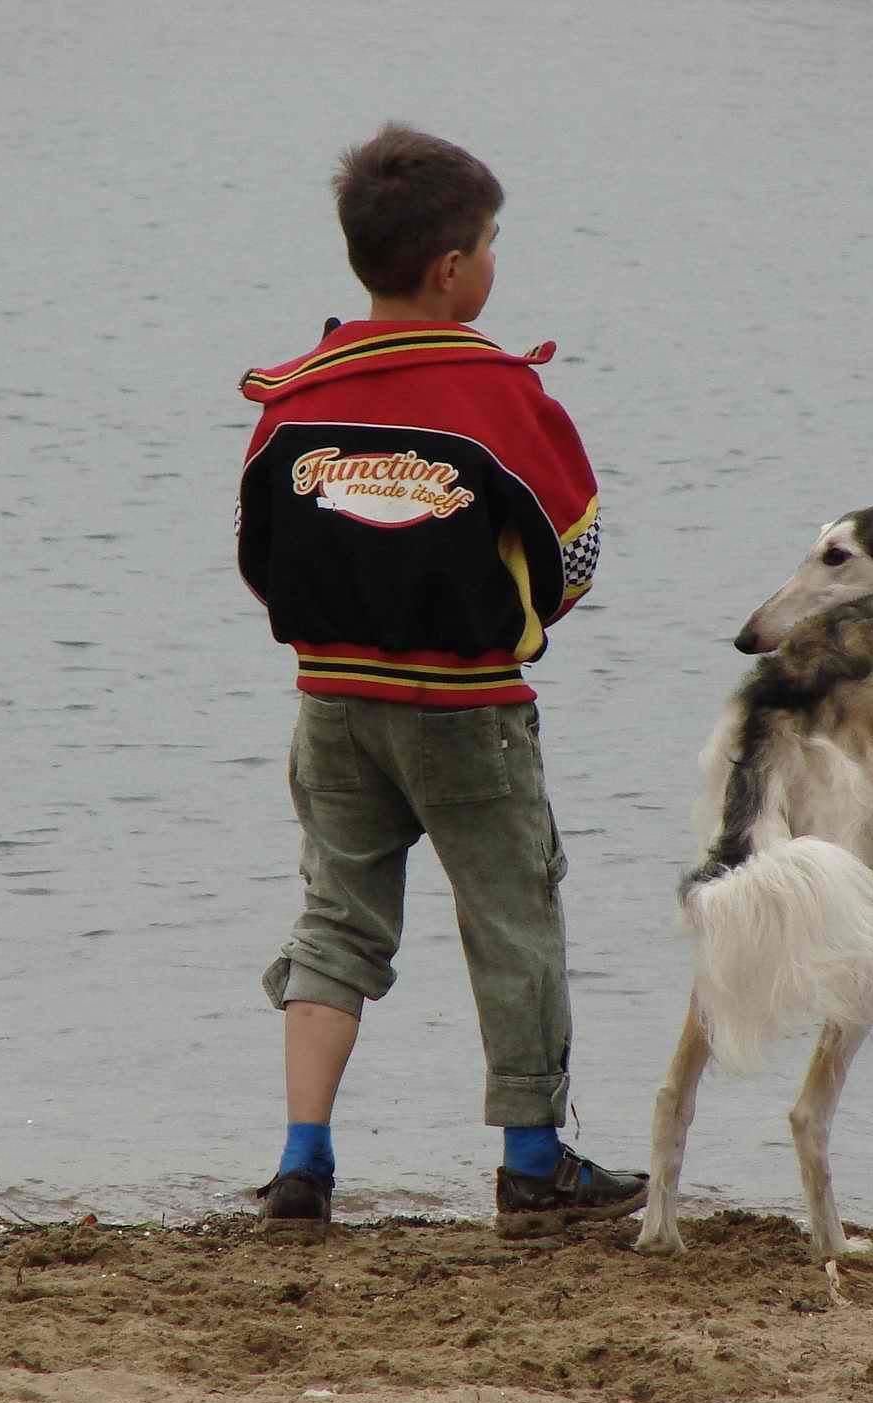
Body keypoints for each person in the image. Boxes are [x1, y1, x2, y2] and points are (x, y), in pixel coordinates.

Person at [235, 122, 648, 1244]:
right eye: (492, 243)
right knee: (513, 919)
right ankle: (532, 1165)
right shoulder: (499, 395)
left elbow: (257, 557)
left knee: (336, 921)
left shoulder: (294, 395)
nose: (494, 262)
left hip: (331, 705)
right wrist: (515, 619)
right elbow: (575, 550)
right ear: (452, 268)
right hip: (468, 710)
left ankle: (301, 1165)